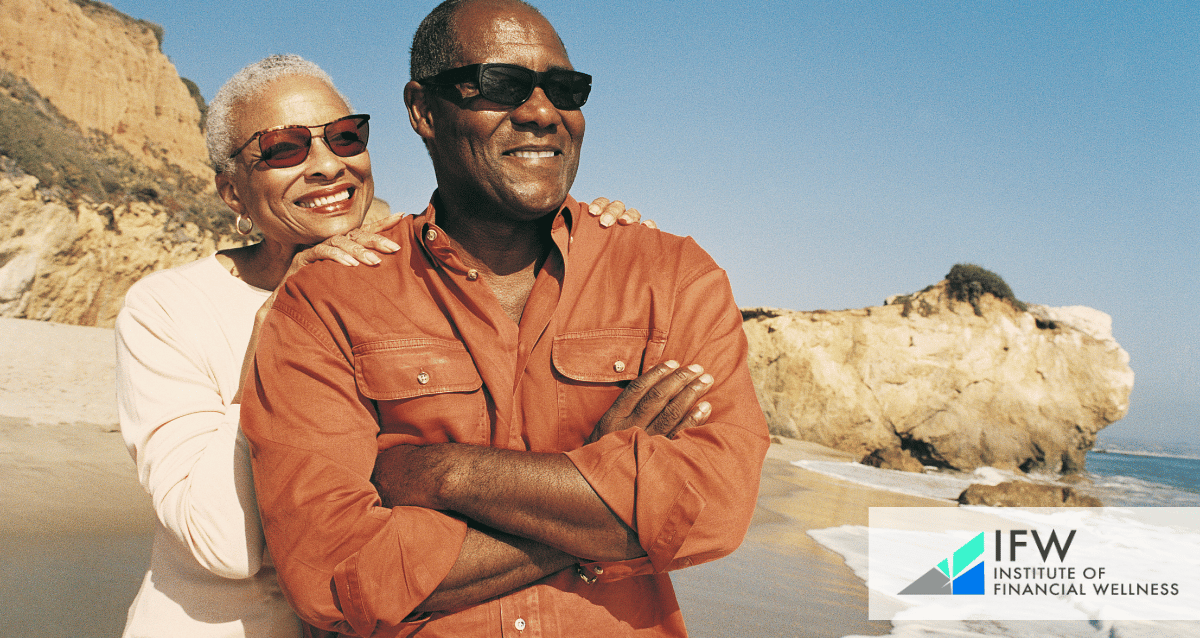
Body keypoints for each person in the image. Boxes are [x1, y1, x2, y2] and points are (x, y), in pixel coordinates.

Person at [241, 0, 770, 636]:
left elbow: (711, 506)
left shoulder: (671, 276)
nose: (543, 112)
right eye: (501, 84)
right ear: (422, 110)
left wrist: (442, 474)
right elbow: (334, 574)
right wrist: (608, 499)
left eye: (566, 89)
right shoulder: (328, 304)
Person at [115, 53, 642, 638]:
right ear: (232, 192)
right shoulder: (168, 308)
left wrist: (587, 234)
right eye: (284, 149)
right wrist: (282, 321)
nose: (325, 166)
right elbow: (223, 545)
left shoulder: (419, 278)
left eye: (344, 138)